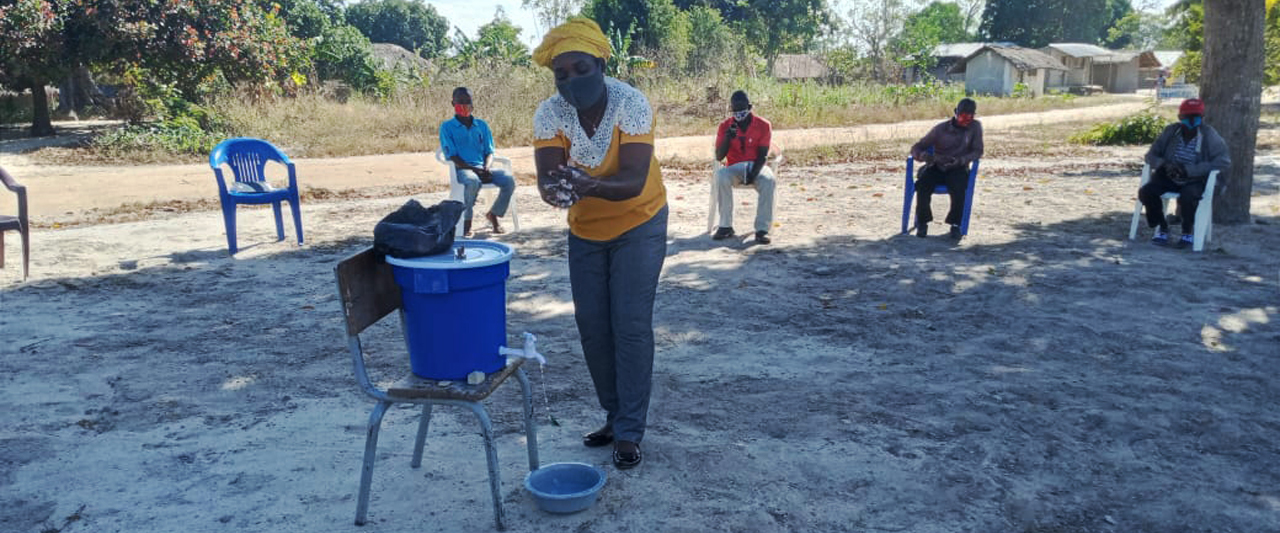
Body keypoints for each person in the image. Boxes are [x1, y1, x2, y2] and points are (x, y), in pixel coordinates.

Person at [530, 17, 668, 470]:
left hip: (638, 222)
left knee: (628, 325)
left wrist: (586, 184)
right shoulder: (550, 113)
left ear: (602, 64)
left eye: (580, 68)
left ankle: (629, 431)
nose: (571, 80)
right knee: (593, 329)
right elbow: (548, 177)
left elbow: (630, 181)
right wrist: (555, 190)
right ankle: (614, 416)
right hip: (585, 231)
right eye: (561, 74)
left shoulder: (632, 103)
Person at [1139, 98, 1230, 248]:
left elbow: (1223, 161)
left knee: (1189, 196)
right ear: (1180, 117)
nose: (1191, 121)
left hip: (1195, 179)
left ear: (1202, 118)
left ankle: (1187, 232)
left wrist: (1190, 170)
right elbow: (1151, 156)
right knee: (1147, 192)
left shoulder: (1209, 135)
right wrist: (1165, 164)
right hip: (1170, 177)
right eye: (1186, 118)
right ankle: (1162, 227)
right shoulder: (1171, 131)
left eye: (1195, 117)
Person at [439, 87, 517, 236]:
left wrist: (486, 168)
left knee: (508, 180)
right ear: (452, 103)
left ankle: (494, 214)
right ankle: (467, 222)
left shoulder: (481, 125)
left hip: (483, 168)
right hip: (463, 169)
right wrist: (475, 170)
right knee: (473, 181)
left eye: (467, 101)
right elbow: (452, 156)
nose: (464, 105)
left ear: (473, 103)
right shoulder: (447, 127)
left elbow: (489, 151)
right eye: (460, 102)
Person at [909, 97, 984, 239]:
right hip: (937, 166)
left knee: (959, 187)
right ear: (956, 113)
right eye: (962, 117)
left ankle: (955, 224)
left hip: (958, 167)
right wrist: (923, 155)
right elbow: (917, 147)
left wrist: (961, 160)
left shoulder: (975, 127)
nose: (965, 121)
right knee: (923, 184)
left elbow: (978, 151)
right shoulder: (940, 129)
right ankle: (923, 222)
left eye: (970, 117)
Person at [712, 90, 776, 245]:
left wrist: (753, 174)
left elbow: (762, 155)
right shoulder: (724, 126)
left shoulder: (763, 125)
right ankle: (725, 226)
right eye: (735, 109)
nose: (738, 113)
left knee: (769, 180)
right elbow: (719, 157)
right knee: (721, 176)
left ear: (749, 106)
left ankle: (762, 230)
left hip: (757, 165)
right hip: (734, 167)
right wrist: (728, 137)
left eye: (741, 108)